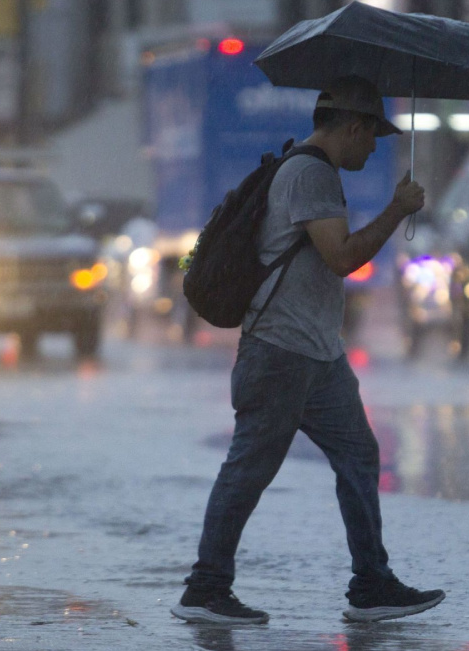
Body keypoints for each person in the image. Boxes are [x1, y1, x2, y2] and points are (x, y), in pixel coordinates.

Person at [171, 75, 443, 625]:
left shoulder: (311, 171)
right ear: (351, 126)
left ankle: (371, 584)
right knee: (249, 469)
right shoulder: (310, 174)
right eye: (372, 136)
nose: (374, 147)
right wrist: (396, 210)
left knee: (359, 456)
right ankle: (205, 588)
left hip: (317, 356)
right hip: (280, 352)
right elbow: (341, 256)